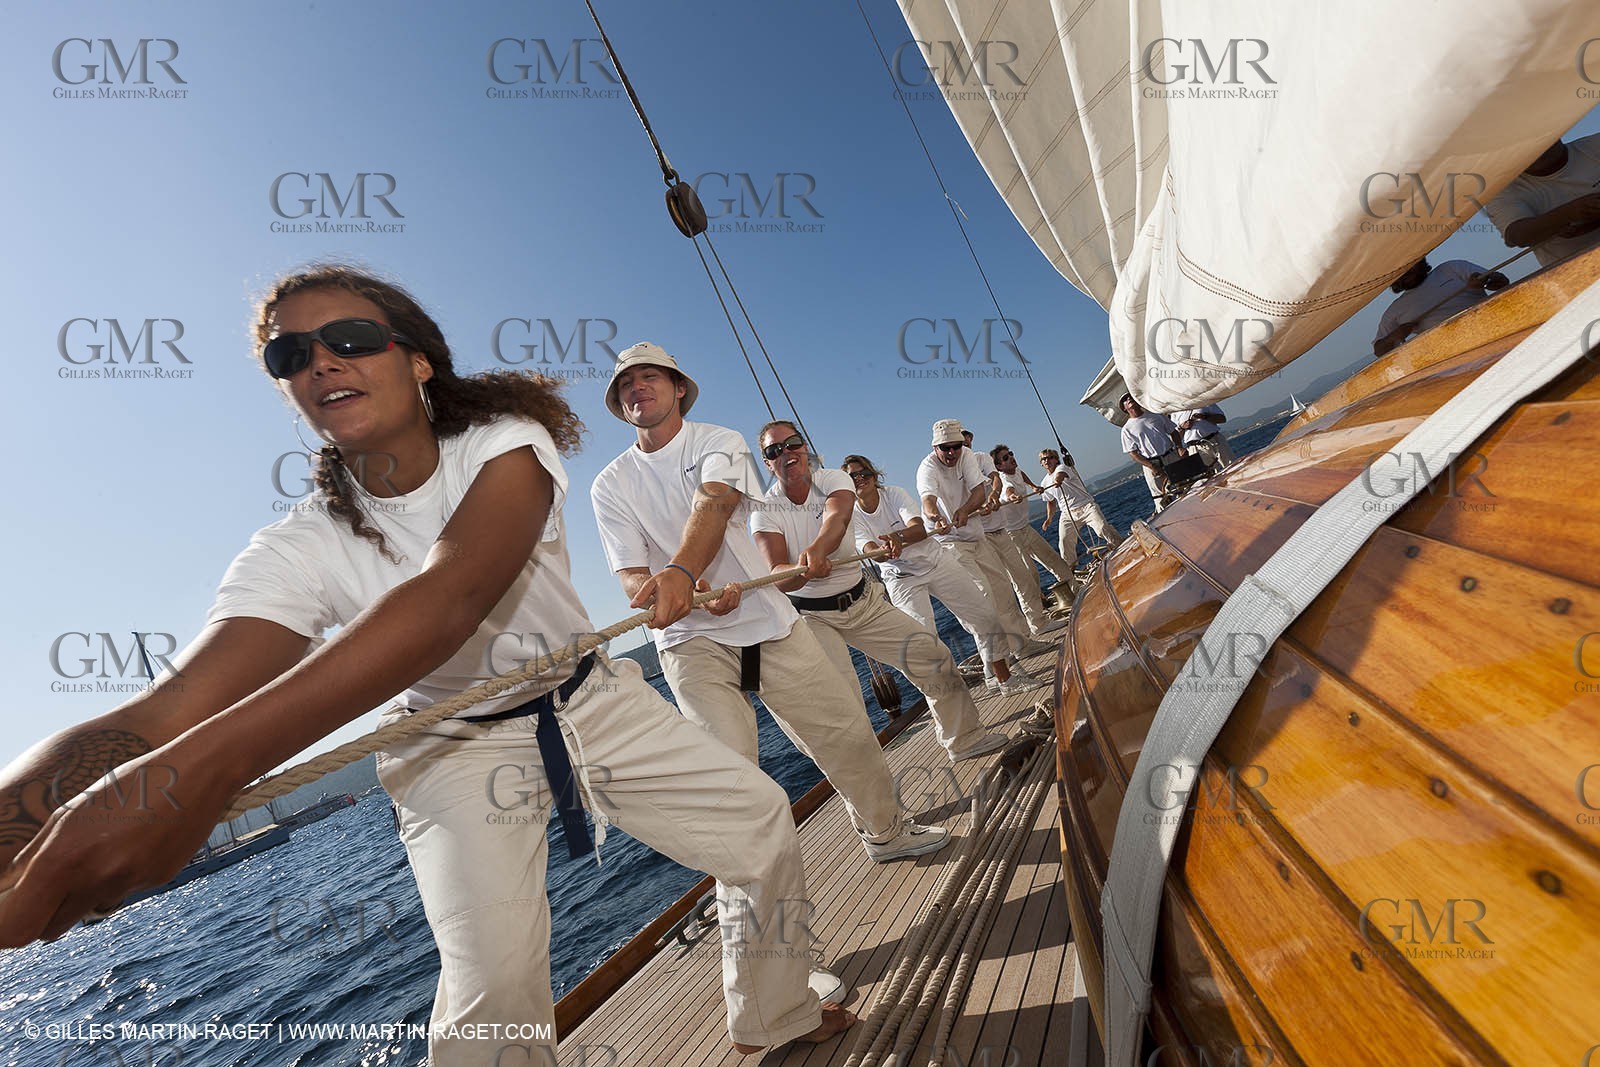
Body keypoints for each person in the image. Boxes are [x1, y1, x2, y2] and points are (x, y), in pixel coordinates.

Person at [0, 267, 851, 1061]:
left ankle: (776, 1013)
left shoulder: (505, 443)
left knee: (760, 822)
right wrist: (22, 819)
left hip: (590, 698)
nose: (321, 359)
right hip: (452, 745)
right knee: (494, 991)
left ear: (418, 363)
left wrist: (208, 770)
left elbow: (452, 595)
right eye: (290, 354)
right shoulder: (301, 545)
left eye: (348, 337)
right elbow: (164, 711)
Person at [589, 343, 948, 868]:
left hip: (768, 623)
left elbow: (715, 503)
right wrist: (672, 593)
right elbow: (628, 574)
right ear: (621, 406)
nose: (638, 387)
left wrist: (683, 574)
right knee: (728, 776)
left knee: (847, 735)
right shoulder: (609, 484)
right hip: (692, 640)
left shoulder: (721, 441)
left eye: (650, 376)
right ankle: (756, 897)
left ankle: (886, 832)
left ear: (679, 389)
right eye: (626, 384)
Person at [750, 422, 1007, 763]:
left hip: (862, 600)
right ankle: (878, 816)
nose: (785, 453)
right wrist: (802, 573)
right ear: (767, 463)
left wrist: (819, 550)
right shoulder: (765, 512)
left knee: (933, 659)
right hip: (812, 616)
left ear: (805, 449)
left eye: (792, 443)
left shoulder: (834, 481)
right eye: (773, 451)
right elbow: (778, 575)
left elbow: (838, 519)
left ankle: (964, 739)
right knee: (845, 708)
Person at [841, 455, 1044, 696]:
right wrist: (881, 551)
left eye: (864, 473)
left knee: (984, 616)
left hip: (935, 561)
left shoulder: (894, 494)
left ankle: (1003, 679)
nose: (860, 479)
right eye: (852, 476)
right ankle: (955, 703)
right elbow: (870, 551)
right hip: (901, 577)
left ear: (874, 476)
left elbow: (917, 528)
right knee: (922, 642)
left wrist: (899, 538)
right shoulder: (851, 516)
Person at [916, 419, 1053, 689]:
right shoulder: (927, 468)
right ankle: (996, 673)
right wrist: (935, 517)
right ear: (935, 447)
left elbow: (979, 490)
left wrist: (966, 510)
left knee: (1002, 590)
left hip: (975, 536)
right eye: (946, 448)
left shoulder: (967, 456)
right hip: (951, 543)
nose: (953, 452)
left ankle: (1019, 645)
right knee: (981, 600)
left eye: (956, 446)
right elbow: (927, 500)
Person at [963, 430, 1064, 639]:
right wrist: (1007, 496)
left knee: (1024, 579)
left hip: (1002, 532)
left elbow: (998, 481)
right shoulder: (954, 475)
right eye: (956, 444)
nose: (964, 446)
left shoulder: (981, 460)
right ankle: (1020, 637)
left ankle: (1038, 624)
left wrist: (997, 495)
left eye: (966, 440)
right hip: (985, 537)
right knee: (1003, 590)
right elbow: (1005, 488)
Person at [1484, 135, 1600, 268]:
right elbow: (1516, 235)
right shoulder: (1503, 193)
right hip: (1578, 274)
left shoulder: (1595, 144)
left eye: (1540, 138)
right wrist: (1569, 214)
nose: (1536, 149)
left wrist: (1587, 221)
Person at [987, 444, 1078, 596]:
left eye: (1010, 454)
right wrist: (1012, 497)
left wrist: (1033, 486)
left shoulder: (1016, 470)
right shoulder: (1003, 481)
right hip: (1012, 535)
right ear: (999, 466)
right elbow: (1008, 490)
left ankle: (1076, 591)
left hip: (1026, 528)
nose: (1011, 458)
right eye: (1005, 458)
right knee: (1030, 574)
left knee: (1054, 560)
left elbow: (1020, 475)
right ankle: (1039, 605)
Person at [1371, 257, 1508, 356]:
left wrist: (1487, 281)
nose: (1405, 272)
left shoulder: (1451, 268)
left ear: (1420, 260)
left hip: (1496, 328)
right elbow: (1379, 350)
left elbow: (1502, 282)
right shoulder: (1394, 310)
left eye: (1408, 264)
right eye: (1398, 272)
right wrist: (1394, 337)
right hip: (1456, 353)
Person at [1039, 448, 1122, 559]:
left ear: (1056, 459)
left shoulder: (1063, 468)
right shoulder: (1044, 483)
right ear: (1041, 463)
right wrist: (1049, 519)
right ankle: (1070, 568)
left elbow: (1060, 475)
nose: (1047, 460)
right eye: (1044, 459)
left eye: (1050, 457)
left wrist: (1058, 480)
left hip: (1086, 506)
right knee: (1064, 542)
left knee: (1101, 529)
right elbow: (1051, 501)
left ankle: (1120, 544)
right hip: (1068, 514)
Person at [1118, 394, 1184, 510]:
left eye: (1130, 397)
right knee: (1161, 499)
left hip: (1171, 456)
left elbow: (1173, 432)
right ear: (1124, 408)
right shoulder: (1126, 429)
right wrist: (1152, 466)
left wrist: (1179, 447)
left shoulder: (1156, 415)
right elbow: (1133, 454)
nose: (1129, 399)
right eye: (1125, 400)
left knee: (1185, 487)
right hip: (1151, 465)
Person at [1170, 402, 1237, 473]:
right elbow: (1176, 436)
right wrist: (1182, 427)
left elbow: (1222, 419)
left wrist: (1205, 417)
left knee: (1233, 467)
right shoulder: (1174, 412)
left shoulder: (1204, 401)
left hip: (1216, 440)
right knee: (1207, 476)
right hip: (1195, 447)